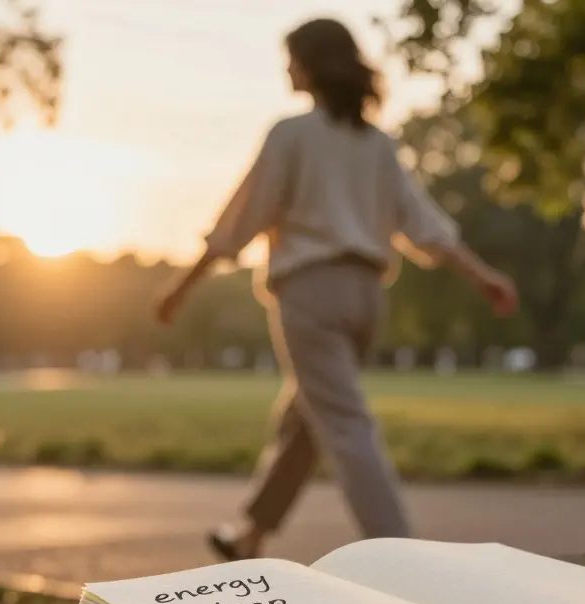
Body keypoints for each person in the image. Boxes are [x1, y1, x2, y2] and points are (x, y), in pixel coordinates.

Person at [154, 17, 518, 560]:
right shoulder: (376, 144)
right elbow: (425, 226)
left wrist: (180, 287)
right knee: (306, 417)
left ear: (312, 65)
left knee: (344, 424)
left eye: (292, 59)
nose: (286, 69)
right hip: (367, 300)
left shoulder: (291, 134)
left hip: (311, 294)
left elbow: (241, 220)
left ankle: (404, 559)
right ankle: (248, 535)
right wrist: (483, 276)